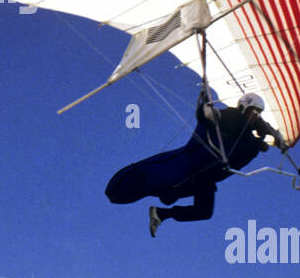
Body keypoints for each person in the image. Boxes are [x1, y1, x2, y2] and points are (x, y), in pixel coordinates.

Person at [104, 82, 286, 237]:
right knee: (157, 182)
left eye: (257, 113)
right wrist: (206, 111)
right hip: (194, 164)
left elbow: (262, 129)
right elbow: (214, 116)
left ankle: (160, 214)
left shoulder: (248, 135)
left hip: (207, 176)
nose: (254, 116)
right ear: (243, 109)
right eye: (252, 111)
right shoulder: (233, 117)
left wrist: (276, 137)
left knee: (204, 212)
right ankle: (134, 189)